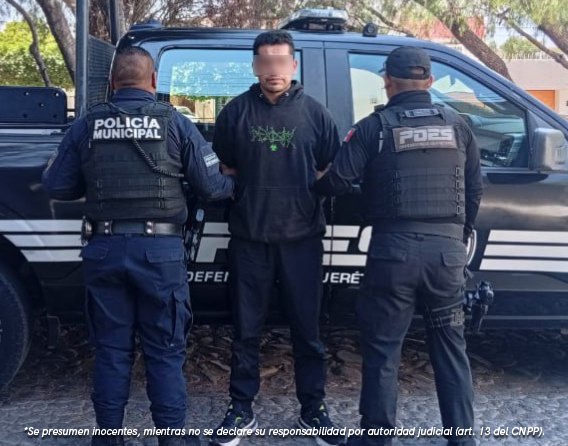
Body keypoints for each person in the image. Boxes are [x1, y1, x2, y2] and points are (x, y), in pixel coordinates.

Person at [42, 46, 235, 446]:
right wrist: (234, 177)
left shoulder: (88, 123)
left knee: (111, 350)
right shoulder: (175, 122)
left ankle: (108, 438)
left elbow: (57, 185)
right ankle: (172, 439)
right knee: (164, 349)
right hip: (160, 253)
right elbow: (213, 188)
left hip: (104, 248)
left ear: (112, 82)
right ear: (153, 81)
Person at [315, 46, 483, 446]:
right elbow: (474, 190)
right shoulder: (459, 125)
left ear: (387, 81)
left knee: (383, 348)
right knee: (451, 349)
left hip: (394, 254)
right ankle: (462, 438)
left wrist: (318, 175)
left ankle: (376, 438)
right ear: (430, 81)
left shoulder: (374, 127)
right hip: (446, 255)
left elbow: (336, 182)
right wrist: (457, 236)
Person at [209, 30, 343, 446]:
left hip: (302, 240)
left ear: (293, 64)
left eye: (281, 61)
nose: (273, 70)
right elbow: (225, 167)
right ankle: (240, 407)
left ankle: (313, 409)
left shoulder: (316, 114)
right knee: (246, 331)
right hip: (250, 238)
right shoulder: (235, 113)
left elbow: (328, 168)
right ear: (254, 65)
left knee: (308, 332)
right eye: (265, 61)